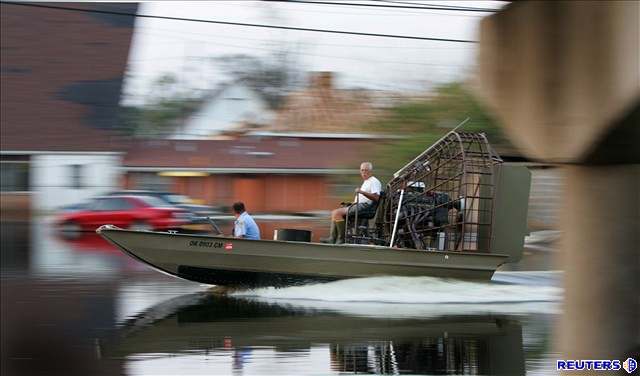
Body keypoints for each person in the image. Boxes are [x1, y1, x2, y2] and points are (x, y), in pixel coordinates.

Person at [326, 162, 381, 244]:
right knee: (336, 212)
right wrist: (352, 203)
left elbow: (376, 197)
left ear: (370, 171)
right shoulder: (367, 181)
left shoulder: (374, 181)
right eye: (362, 170)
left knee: (336, 213)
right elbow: (364, 198)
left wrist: (361, 192)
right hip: (360, 206)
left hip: (366, 208)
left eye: (366, 170)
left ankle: (340, 239)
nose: (364, 172)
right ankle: (333, 238)